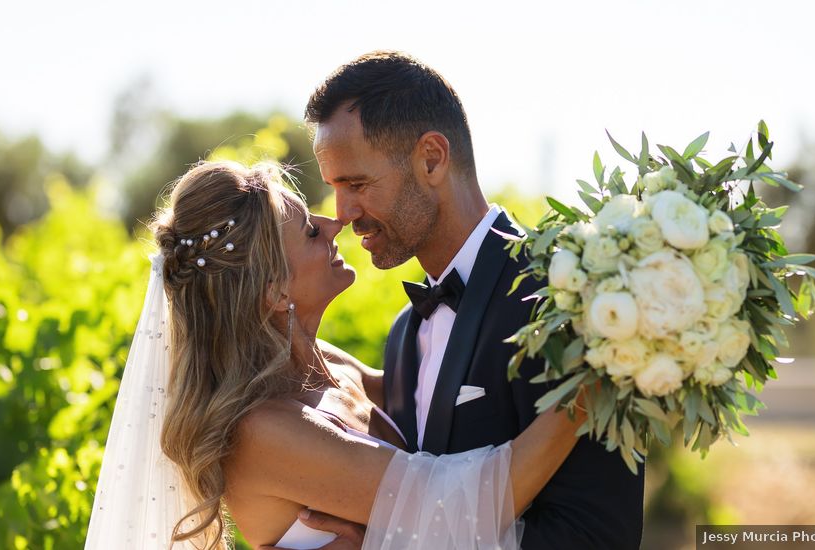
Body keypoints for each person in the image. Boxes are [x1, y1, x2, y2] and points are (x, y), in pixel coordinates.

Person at [84, 160, 590, 550]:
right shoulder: (263, 431)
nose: (334, 224)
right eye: (308, 230)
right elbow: (466, 502)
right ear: (273, 290)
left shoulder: (331, 365)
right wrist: (599, 373)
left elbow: (444, 401)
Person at [300, 51, 645, 549]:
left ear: (432, 159)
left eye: (356, 184)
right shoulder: (404, 335)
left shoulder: (562, 301)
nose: (344, 212)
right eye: (335, 187)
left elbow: (598, 535)